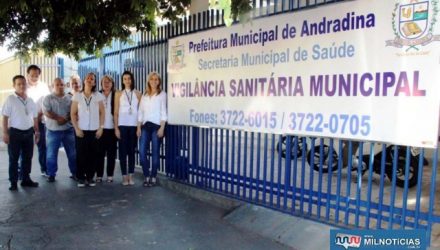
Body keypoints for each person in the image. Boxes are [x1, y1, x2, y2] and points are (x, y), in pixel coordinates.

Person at [2, 75, 40, 190]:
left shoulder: (30, 100)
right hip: (14, 133)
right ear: (14, 86)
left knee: (27, 157)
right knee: (13, 159)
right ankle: (13, 182)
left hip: (29, 133)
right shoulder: (10, 99)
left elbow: (35, 118)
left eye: (24, 83)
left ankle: (25, 179)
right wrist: (5, 133)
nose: (22, 86)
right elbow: (4, 117)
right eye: (19, 84)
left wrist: (37, 132)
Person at [71, 72, 105, 188]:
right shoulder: (77, 96)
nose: (90, 80)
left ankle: (90, 177)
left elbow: (102, 113)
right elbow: (73, 113)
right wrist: (76, 128)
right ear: (84, 81)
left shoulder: (98, 96)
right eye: (88, 78)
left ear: (95, 83)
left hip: (94, 130)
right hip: (81, 130)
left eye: (92, 79)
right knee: (81, 155)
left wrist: (101, 128)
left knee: (93, 155)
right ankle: (81, 178)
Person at [43, 78, 77, 182]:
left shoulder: (70, 98)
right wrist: (58, 119)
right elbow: (46, 112)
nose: (60, 86)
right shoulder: (48, 98)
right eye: (57, 84)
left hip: (68, 130)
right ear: (53, 86)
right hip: (53, 131)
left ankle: (75, 173)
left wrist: (65, 119)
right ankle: (51, 174)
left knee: (72, 153)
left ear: (65, 86)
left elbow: (74, 111)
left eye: (62, 84)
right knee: (51, 154)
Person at [137, 71, 167, 187]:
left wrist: (162, 128)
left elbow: (164, 112)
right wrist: (138, 127)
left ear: (159, 81)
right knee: (142, 152)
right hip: (145, 126)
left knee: (155, 152)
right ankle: (146, 175)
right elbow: (140, 112)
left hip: (156, 127)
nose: (154, 81)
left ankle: (153, 176)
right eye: (152, 79)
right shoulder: (144, 95)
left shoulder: (162, 94)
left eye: (156, 79)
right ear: (148, 81)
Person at [114, 71, 142, 186]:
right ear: (122, 80)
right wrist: (116, 128)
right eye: (125, 79)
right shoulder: (118, 94)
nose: (127, 81)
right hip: (122, 125)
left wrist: (139, 127)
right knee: (122, 152)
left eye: (129, 78)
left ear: (132, 79)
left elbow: (140, 112)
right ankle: (124, 177)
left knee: (132, 152)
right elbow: (115, 112)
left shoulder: (138, 93)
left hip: (134, 126)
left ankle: (131, 176)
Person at [26, 65, 50, 176]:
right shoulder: (23, 86)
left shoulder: (43, 86)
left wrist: (39, 115)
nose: (34, 78)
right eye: (32, 75)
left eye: (36, 75)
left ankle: (44, 169)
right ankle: (23, 172)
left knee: (42, 146)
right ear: (28, 75)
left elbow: (46, 102)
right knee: (25, 148)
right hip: (26, 122)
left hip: (41, 120)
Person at [96, 75, 117, 183]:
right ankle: (99, 175)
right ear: (101, 84)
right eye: (104, 82)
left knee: (111, 154)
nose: (107, 84)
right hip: (101, 129)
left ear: (112, 83)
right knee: (99, 153)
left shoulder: (116, 94)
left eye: (109, 82)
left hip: (112, 128)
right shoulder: (97, 95)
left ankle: (110, 175)